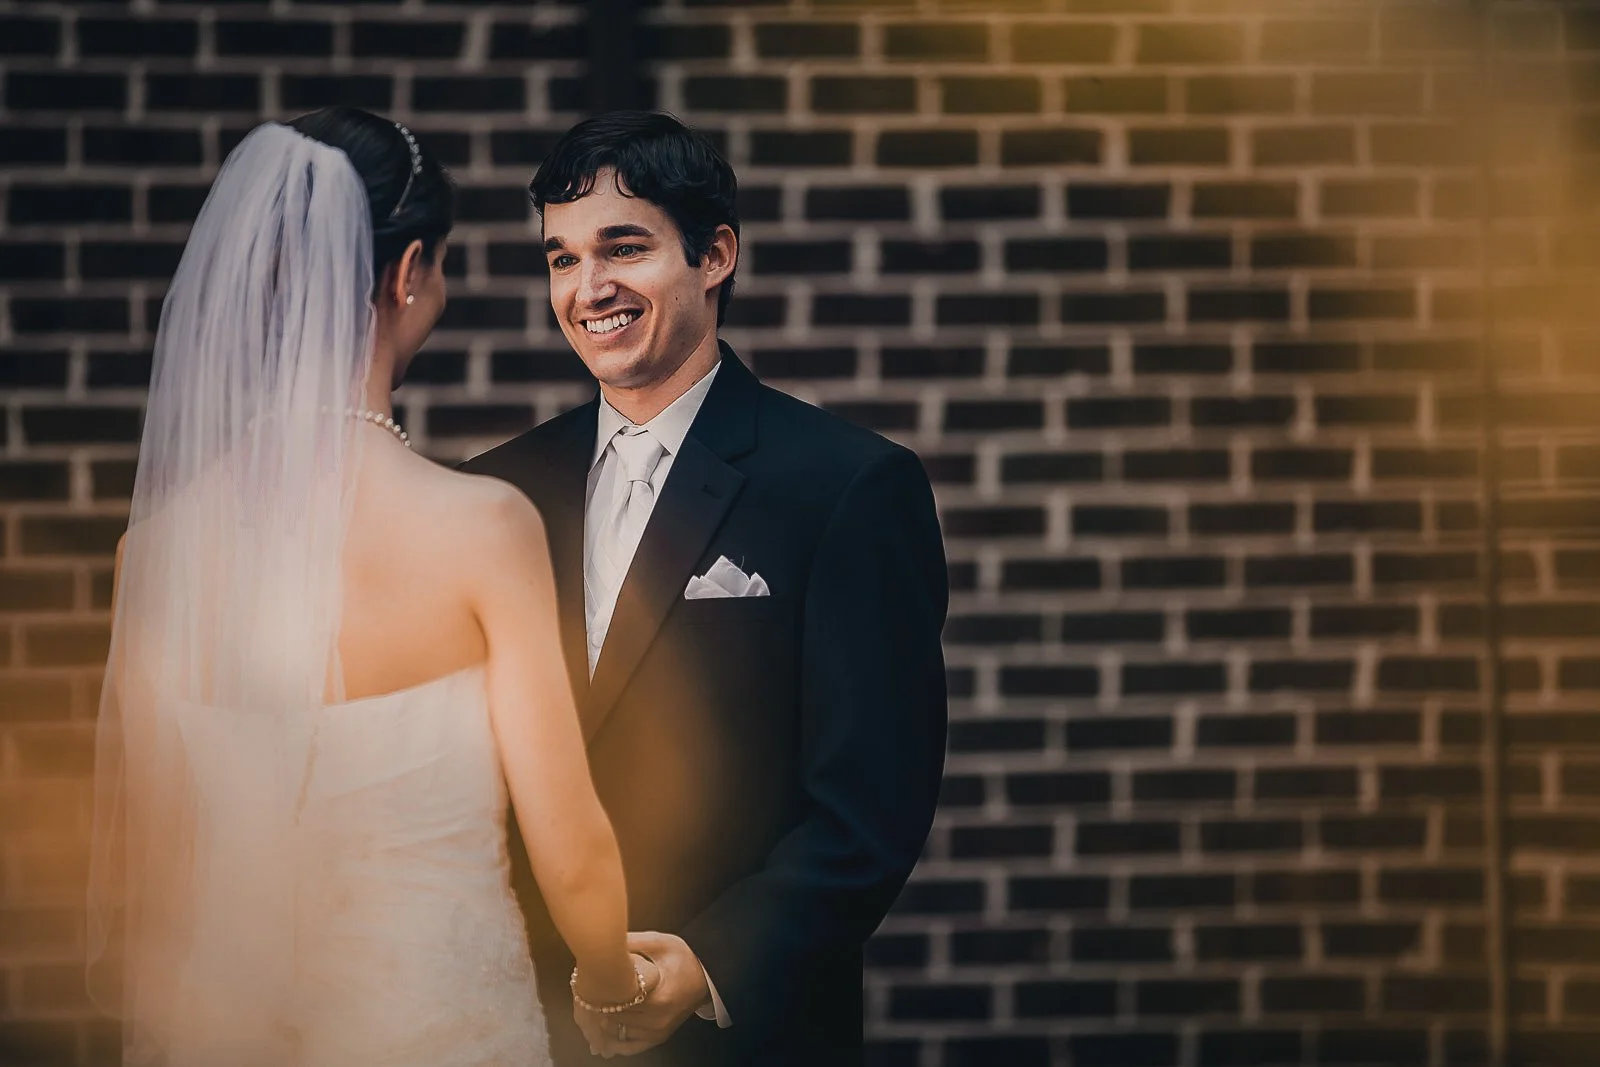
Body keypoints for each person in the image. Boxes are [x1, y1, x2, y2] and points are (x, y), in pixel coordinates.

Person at [86, 107, 654, 1066]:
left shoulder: (154, 551)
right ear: (406, 273)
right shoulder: (482, 527)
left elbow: (159, 852)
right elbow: (571, 842)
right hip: (434, 1024)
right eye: (440, 263)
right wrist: (611, 989)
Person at [460, 110, 949, 1066]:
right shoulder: (494, 490)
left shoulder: (847, 485)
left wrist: (712, 962)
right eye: (561, 258)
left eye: (624, 247)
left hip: (739, 1031)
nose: (589, 288)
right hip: (517, 1023)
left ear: (715, 253)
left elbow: (869, 806)